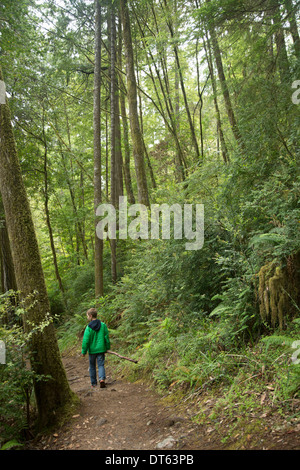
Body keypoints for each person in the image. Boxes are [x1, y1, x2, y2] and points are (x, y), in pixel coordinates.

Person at [81, 308, 110, 388]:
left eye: (87, 316)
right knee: (101, 365)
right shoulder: (103, 325)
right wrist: (107, 347)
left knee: (92, 366)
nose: (87, 318)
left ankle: (93, 383)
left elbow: (86, 340)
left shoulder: (88, 327)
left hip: (92, 351)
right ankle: (101, 379)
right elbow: (106, 337)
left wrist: (83, 351)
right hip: (101, 349)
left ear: (90, 316)